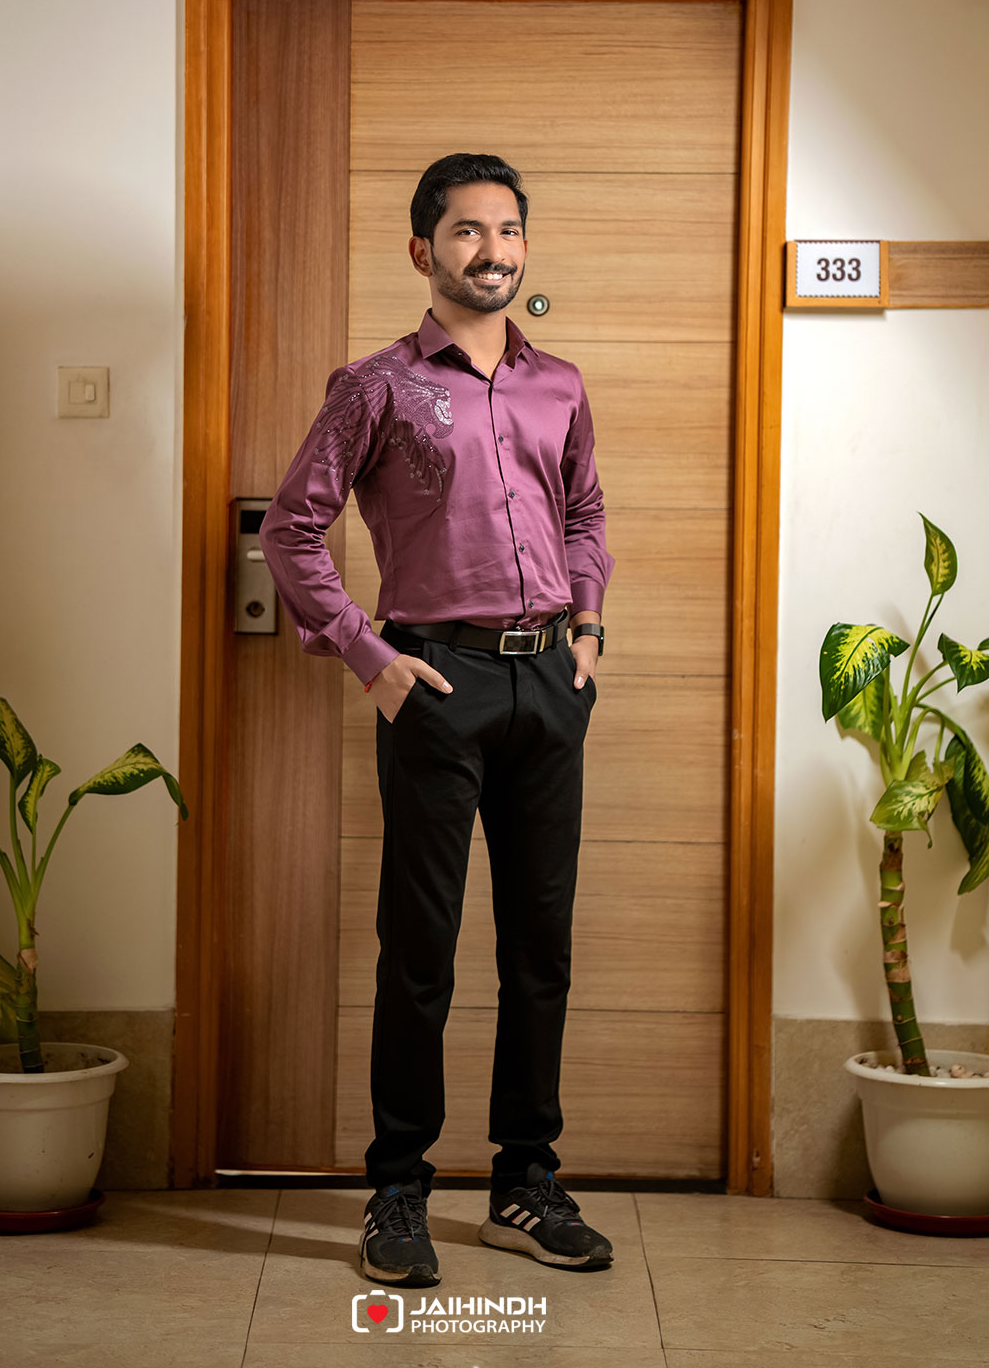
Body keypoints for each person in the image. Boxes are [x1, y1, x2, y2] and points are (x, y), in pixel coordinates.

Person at [260, 152, 615, 1287]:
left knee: (540, 949)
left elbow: (584, 513)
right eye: (467, 231)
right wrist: (370, 659)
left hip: (548, 684)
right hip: (434, 684)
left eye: (507, 230)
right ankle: (398, 1190)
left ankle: (525, 1183)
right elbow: (291, 530)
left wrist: (588, 626)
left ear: (525, 247)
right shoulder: (374, 387)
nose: (492, 251)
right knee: (421, 950)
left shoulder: (560, 383)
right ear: (423, 250)